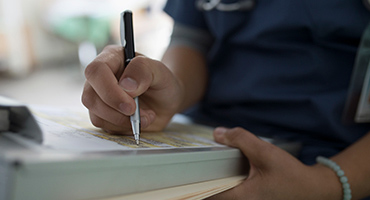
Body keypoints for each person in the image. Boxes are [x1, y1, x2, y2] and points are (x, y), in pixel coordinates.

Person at [81, 0, 370, 199]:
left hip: (342, 162)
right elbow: (192, 38)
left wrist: (327, 184)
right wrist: (172, 90)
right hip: (206, 142)